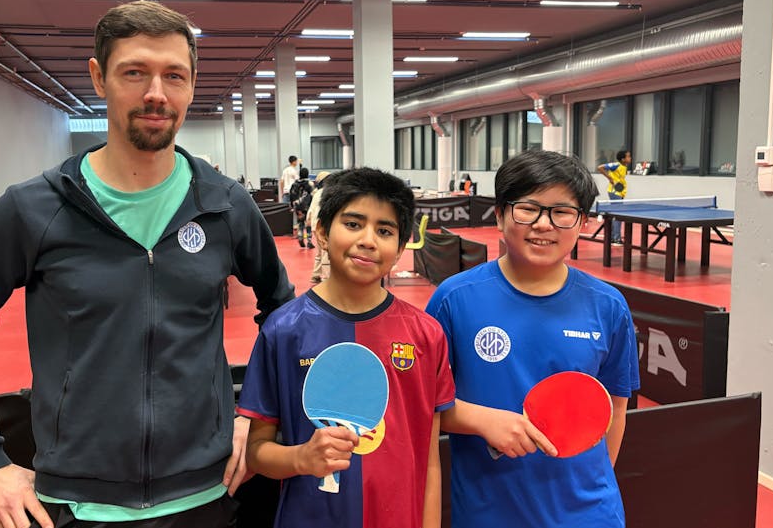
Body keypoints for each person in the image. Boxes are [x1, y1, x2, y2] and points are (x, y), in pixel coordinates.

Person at [0, 0, 295, 528]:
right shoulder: (35, 209)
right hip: (77, 505)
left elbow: (283, 317)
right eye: (135, 73)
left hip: (207, 497)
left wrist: (258, 417)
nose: (156, 92)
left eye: (174, 75)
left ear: (192, 86)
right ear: (99, 78)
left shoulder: (225, 205)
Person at [427, 149, 640, 528]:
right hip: (488, 512)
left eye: (562, 212)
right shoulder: (453, 299)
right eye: (528, 209)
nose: (544, 225)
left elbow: (615, 410)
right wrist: (480, 420)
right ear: (499, 216)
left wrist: (587, 486)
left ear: (582, 223)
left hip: (589, 513)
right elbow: (422, 406)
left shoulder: (608, 306)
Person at [237, 168, 456, 528]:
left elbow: (429, 459)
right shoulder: (284, 329)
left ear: (400, 249)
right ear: (322, 232)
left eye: (384, 231)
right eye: (353, 224)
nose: (368, 240)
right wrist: (302, 458)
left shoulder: (426, 334)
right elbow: (257, 452)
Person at [598, 149, 632, 245]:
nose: (630, 158)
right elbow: (600, 167)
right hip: (615, 192)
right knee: (618, 215)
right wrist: (610, 178)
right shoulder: (616, 165)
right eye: (628, 156)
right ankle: (616, 239)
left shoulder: (624, 167)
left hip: (620, 193)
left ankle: (613, 237)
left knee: (616, 215)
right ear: (623, 159)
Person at [307, 170, 332, 283]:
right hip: (323, 226)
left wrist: (309, 223)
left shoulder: (316, 193)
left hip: (315, 225)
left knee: (319, 252)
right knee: (326, 251)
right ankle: (326, 278)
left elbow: (311, 210)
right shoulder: (328, 193)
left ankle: (316, 275)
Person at [289, 167, 314, 248]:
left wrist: (293, 206)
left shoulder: (294, 184)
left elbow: (291, 195)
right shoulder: (309, 184)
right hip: (307, 206)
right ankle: (309, 241)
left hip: (297, 206)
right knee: (308, 223)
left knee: (300, 222)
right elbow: (312, 195)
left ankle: (300, 236)